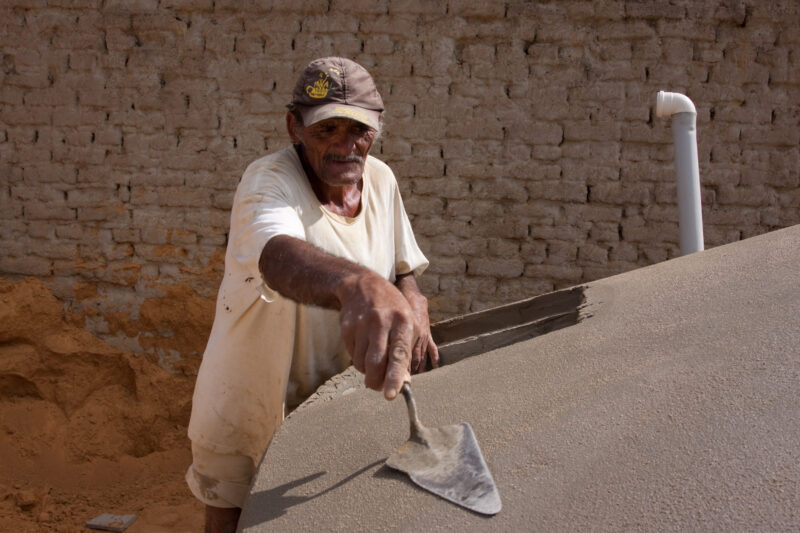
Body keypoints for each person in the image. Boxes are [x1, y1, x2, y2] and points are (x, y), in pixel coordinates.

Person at [185, 57, 439, 532]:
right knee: (233, 523)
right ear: (294, 128)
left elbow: (404, 268)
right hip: (249, 400)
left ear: (378, 127)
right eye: (328, 130)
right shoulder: (267, 183)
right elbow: (278, 256)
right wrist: (358, 284)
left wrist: (411, 300)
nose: (346, 146)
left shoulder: (380, 180)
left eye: (359, 130)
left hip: (328, 404)